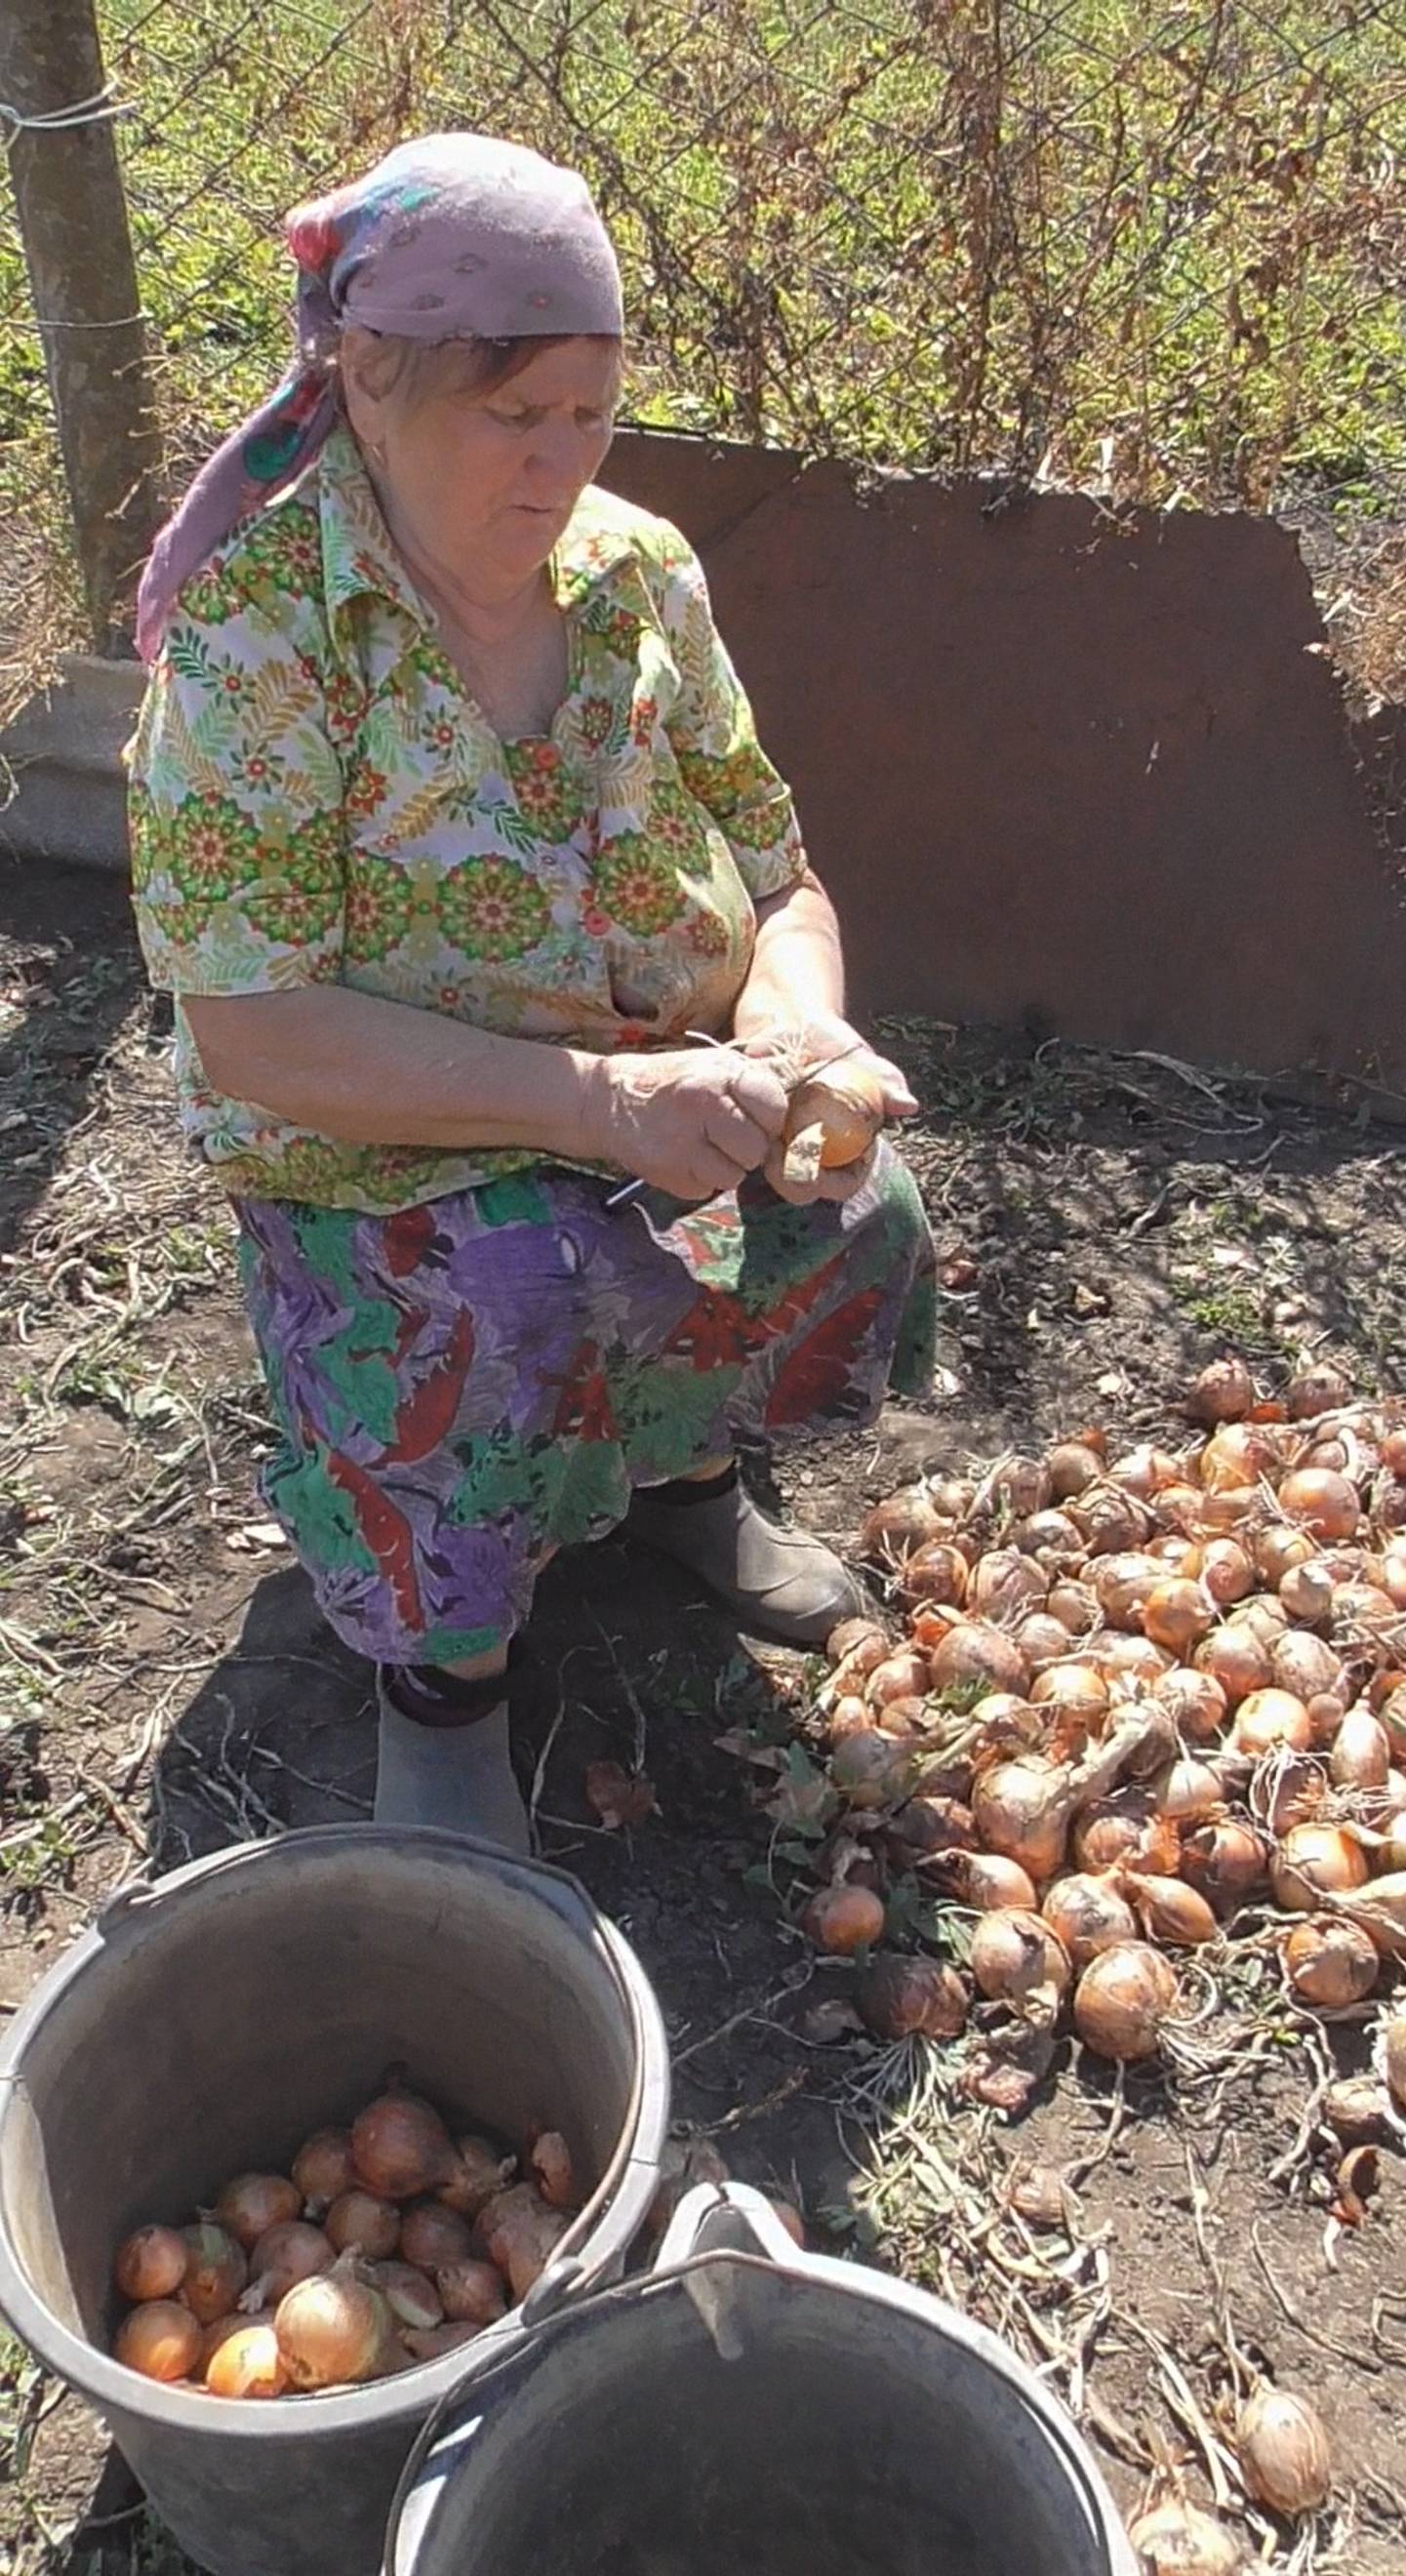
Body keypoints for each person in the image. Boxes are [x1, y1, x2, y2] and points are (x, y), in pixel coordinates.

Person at [127, 132, 935, 1853]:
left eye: (591, 410)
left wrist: (799, 1024)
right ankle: (443, 1687)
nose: (562, 462)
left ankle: (678, 1484)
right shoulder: (261, 640)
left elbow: (779, 869)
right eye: (516, 416)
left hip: (660, 1084)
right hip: (390, 1154)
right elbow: (253, 1029)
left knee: (848, 1213)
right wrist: (589, 1108)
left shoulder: (638, 575)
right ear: (366, 378)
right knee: (499, 1295)